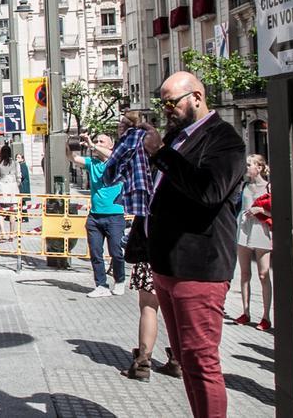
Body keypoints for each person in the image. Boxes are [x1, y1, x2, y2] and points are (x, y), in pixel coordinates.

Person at [142, 71, 246, 417]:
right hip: (167, 266)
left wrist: (161, 154)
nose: (167, 109)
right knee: (186, 359)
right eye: (163, 102)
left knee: (202, 361)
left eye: (172, 101)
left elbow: (208, 190)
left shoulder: (224, 139)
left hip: (199, 269)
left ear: (197, 98)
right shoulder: (177, 137)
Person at [102, 111, 181, 383]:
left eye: (120, 126)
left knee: (149, 304)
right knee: (175, 305)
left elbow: (110, 173)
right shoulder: (181, 145)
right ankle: (177, 359)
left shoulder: (134, 141)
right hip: (181, 239)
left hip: (151, 234)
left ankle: (143, 362)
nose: (118, 131)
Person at [67, 133, 127, 298]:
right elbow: (72, 158)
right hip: (94, 216)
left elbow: (114, 156)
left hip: (115, 215)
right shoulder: (92, 163)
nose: (97, 143)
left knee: (116, 252)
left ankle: (120, 280)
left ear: (110, 146)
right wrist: (71, 142)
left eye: (102, 141)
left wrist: (92, 145)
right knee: (95, 253)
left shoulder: (117, 161)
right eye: (96, 141)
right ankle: (101, 285)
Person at [233, 154, 272, 330]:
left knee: (263, 274)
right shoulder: (244, 186)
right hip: (244, 229)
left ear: (259, 167)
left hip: (262, 231)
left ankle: (265, 316)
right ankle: (246, 311)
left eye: (249, 164)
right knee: (245, 274)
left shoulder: (269, 187)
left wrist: (260, 209)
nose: (246, 167)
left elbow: (277, 212)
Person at [0, 143, 21, 246]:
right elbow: (19, 176)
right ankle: (12, 233)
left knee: (0, 212)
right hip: (13, 188)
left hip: (2, 188)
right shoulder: (15, 163)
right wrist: (16, 184)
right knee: (12, 212)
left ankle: (3, 233)